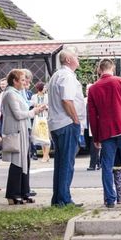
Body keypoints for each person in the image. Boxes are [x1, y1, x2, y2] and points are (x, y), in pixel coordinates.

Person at [88, 58, 121, 208]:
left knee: (106, 166)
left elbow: (93, 115)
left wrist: (96, 137)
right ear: (112, 68)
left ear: (100, 70)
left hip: (106, 133)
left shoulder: (93, 89)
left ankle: (110, 200)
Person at [47, 49, 86, 207]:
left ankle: (58, 198)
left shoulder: (56, 75)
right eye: (76, 57)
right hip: (66, 123)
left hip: (57, 123)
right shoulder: (67, 76)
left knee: (61, 162)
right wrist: (76, 120)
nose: (78, 59)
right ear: (69, 59)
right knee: (67, 163)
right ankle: (64, 198)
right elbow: (67, 100)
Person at [0, 69, 45, 205]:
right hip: (16, 131)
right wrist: (34, 111)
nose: (25, 81)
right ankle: (13, 194)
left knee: (25, 162)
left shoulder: (17, 93)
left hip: (23, 131)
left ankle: (24, 191)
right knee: (17, 163)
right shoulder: (9, 94)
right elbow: (19, 114)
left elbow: (24, 107)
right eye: (22, 79)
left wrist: (34, 107)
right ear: (14, 81)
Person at [31, 81, 50, 163]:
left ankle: (45, 156)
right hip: (38, 118)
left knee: (47, 137)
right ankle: (46, 155)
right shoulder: (34, 97)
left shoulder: (47, 96)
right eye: (44, 87)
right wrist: (37, 106)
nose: (45, 88)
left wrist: (45, 107)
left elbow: (50, 107)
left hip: (46, 118)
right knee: (41, 137)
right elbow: (32, 106)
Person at [85, 83, 100, 171]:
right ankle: (98, 162)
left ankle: (92, 165)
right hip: (86, 126)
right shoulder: (84, 100)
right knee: (89, 145)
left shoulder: (96, 100)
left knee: (93, 146)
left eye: (89, 89)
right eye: (86, 89)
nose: (87, 91)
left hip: (93, 126)